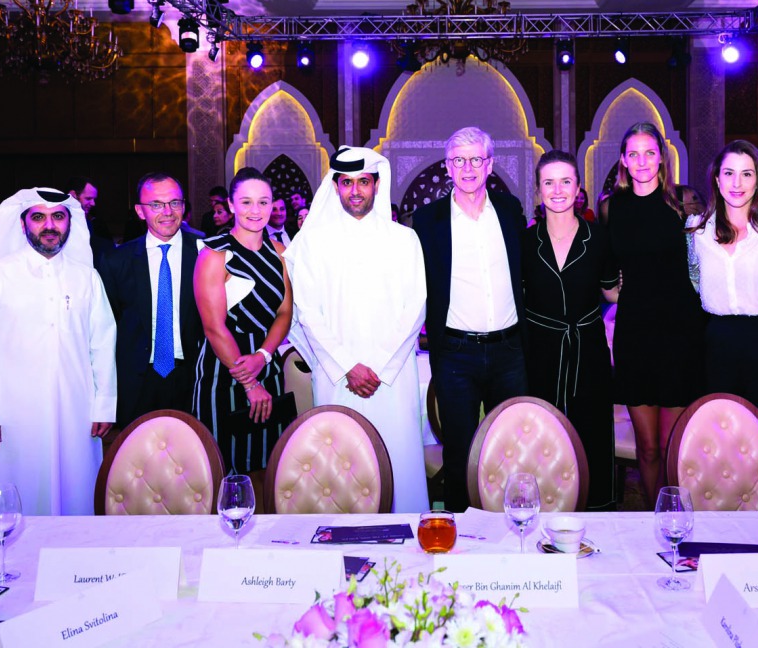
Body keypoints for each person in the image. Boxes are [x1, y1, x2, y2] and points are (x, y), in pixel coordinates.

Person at [0, 188, 117, 530]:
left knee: (76, 498)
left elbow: (102, 343)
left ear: (69, 224)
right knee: (14, 501)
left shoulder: (86, 277)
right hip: (9, 417)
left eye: (58, 217)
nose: (49, 226)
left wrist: (103, 406)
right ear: (23, 223)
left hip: (75, 412)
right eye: (39, 217)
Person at [286, 147, 428, 513]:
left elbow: (416, 308)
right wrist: (349, 366)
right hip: (338, 378)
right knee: (340, 468)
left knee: (399, 464)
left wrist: (378, 366)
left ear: (377, 185)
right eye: (346, 183)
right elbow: (307, 313)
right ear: (335, 187)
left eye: (363, 182)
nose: (355, 191)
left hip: (392, 380)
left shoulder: (404, 239)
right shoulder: (313, 244)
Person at [412, 126, 528, 512]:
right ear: (447, 167)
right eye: (458, 160)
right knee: (459, 451)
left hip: (510, 351)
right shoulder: (427, 221)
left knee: (509, 444)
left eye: (476, 159)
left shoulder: (511, 211)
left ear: (490, 164)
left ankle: (510, 529)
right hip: (456, 354)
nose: (467, 168)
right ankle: (460, 536)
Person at [599, 122, 704, 510]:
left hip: (681, 335)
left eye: (649, 152)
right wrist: (611, 289)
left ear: (662, 156)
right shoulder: (611, 206)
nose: (642, 161)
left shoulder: (685, 200)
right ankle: (654, 522)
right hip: (635, 335)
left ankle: (680, 524)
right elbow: (606, 271)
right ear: (623, 160)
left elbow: (709, 257)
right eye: (633, 154)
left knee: (673, 446)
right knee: (646, 447)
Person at [686, 140, 758, 457]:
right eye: (729, 173)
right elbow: (695, 284)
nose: (737, 183)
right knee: (724, 463)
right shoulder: (696, 231)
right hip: (717, 350)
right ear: (716, 179)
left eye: (747, 174)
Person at [522, 150, 619, 511]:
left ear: (578, 187)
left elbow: (611, 290)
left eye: (566, 181)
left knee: (591, 434)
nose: (558, 190)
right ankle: (541, 513)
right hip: (540, 352)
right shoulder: (525, 242)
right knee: (542, 437)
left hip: (589, 351)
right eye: (549, 182)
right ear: (538, 190)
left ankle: (596, 515)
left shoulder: (600, 237)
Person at [192, 167, 293, 484]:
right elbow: (213, 327)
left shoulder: (280, 252)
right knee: (222, 472)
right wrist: (250, 384)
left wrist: (263, 356)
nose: (256, 211)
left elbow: (284, 313)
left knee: (269, 468)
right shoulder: (214, 253)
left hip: (267, 364)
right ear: (232, 205)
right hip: (225, 371)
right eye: (246, 202)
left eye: (263, 202)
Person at [98, 173, 204, 432]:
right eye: (156, 205)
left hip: (194, 377)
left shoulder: (205, 252)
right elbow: (104, 329)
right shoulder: (116, 261)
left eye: (175, 203)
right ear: (140, 211)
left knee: (195, 461)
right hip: (137, 381)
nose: (168, 212)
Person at [67, 176, 115, 264]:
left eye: (94, 199)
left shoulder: (90, 223)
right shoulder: (60, 222)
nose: (93, 203)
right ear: (73, 195)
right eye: (88, 198)